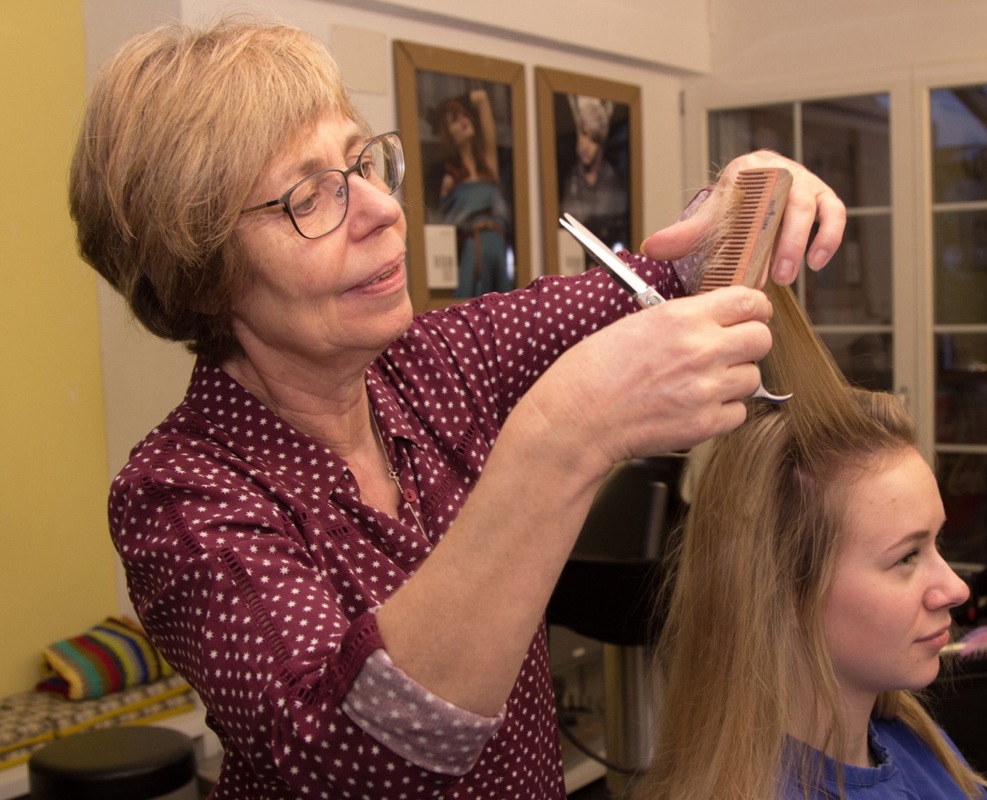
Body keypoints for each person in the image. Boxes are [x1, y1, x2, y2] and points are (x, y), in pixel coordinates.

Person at [67, 13, 845, 800]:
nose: (382, 210)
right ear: (202, 275)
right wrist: (565, 434)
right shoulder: (181, 495)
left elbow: (676, 276)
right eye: (312, 198)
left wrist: (756, 187)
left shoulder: (437, 362)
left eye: (363, 164)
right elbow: (362, 759)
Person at [634, 281, 987, 800]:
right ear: (782, 593)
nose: (955, 588)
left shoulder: (920, 744)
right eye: (907, 557)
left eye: (937, 544)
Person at [432, 88, 512, 297]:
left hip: (499, 243)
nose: (463, 121)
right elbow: (443, 231)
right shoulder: (451, 180)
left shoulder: (488, 167)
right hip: (474, 246)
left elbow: (482, 98)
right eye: (454, 120)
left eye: (464, 115)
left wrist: (455, 103)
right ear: (448, 134)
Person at [559, 93, 629, 251]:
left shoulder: (612, 181)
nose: (586, 145)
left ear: (601, 144)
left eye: (594, 139)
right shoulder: (569, 181)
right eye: (584, 134)